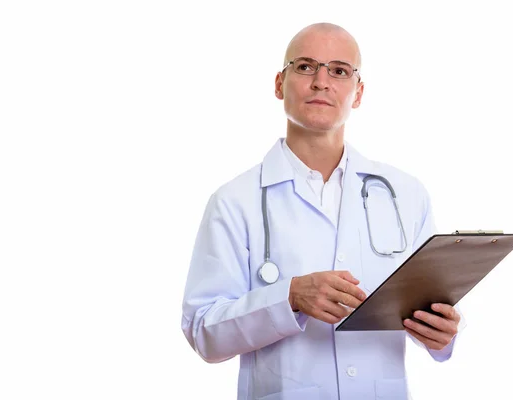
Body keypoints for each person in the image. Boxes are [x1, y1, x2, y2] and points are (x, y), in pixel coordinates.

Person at [181, 22, 463, 400]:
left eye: (339, 71)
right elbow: (203, 332)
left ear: (358, 92)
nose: (321, 81)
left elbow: (427, 310)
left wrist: (441, 335)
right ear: (280, 84)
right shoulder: (235, 201)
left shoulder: (406, 194)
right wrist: (290, 297)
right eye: (305, 66)